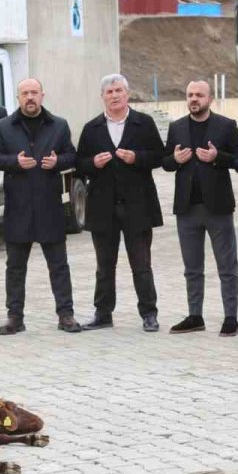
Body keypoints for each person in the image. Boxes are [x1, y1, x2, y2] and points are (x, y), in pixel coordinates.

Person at [0, 78, 82, 335]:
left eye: (34, 93)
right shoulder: (3, 126)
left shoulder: (58, 125)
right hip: (18, 208)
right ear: (18, 98)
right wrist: (14, 162)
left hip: (49, 206)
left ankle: (66, 315)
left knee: (59, 265)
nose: (30, 97)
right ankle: (15, 317)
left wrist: (58, 162)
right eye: (25, 93)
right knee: (15, 267)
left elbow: (72, 155)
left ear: (43, 95)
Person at [77, 74, 164, 333]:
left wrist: (136, 157)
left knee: (141, 263)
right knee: (104, 265)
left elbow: (160, 156)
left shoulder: (143, 123)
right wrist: (93, 163)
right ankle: (103, 313)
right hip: (103, 207)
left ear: (127, 94)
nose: (114, 95)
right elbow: (78, 163)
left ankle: (149, 313)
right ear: (102, 97)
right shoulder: (91, 128)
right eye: (109, 92)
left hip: (137, 206)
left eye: (118, 90)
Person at [163, 80, 238, 336]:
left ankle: (230, 317)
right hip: (187, 208)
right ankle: (195, 315)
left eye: (199, 95)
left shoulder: (226, 126)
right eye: (190, 95)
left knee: (226, 267)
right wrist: (174, 159)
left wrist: (217, 157)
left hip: (218, 207)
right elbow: (165, 161)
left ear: (210, 98)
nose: (194, 99)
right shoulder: (176, 127)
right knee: (192, 267)